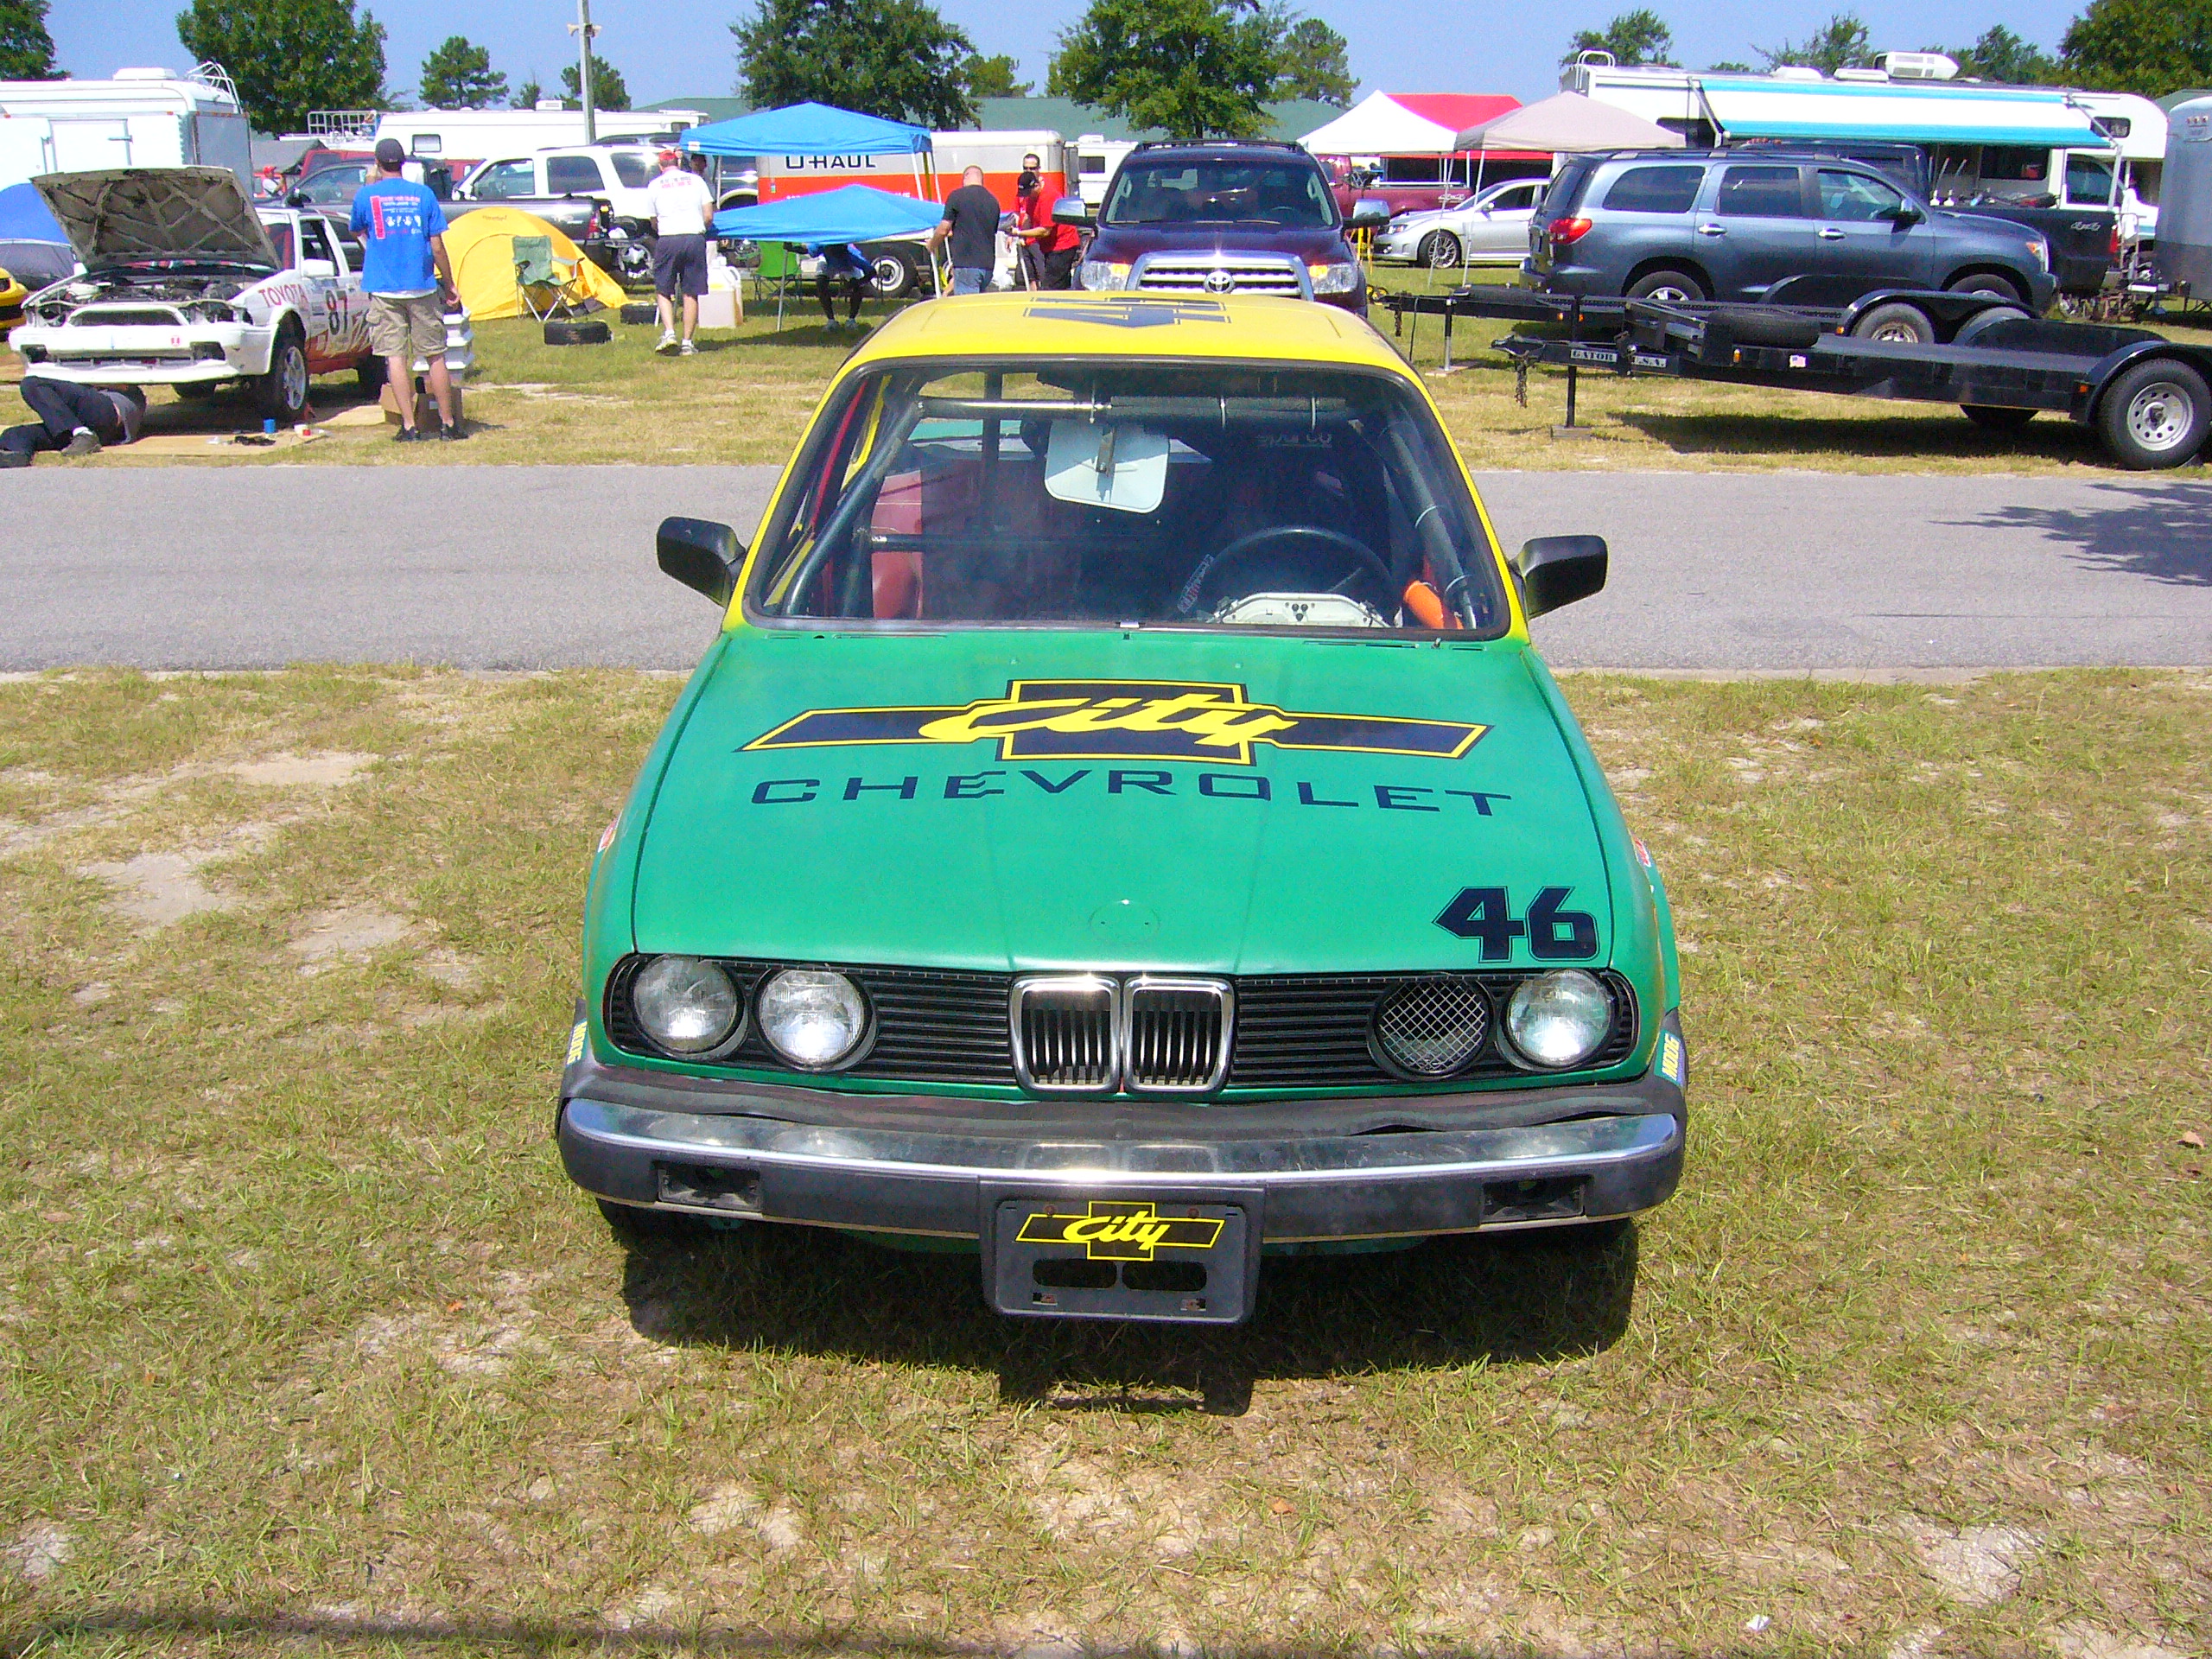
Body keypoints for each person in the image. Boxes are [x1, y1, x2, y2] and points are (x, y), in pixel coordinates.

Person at [350, 137, 462, 443]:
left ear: (377, 163)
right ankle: (448, 423)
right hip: (421, 284)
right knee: (435, 355)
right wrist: (449, 282)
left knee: (395, 357)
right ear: (403, 163)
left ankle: (410, 426)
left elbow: (358, 229)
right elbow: (437, 246)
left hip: (384, 287)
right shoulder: (423, 194)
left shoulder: (366, 195)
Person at [647, 146, 716, 355]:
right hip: (694, 236)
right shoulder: (697, 181)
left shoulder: (654, 185)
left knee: (663, 288)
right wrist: (701, 227)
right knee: (691, 291)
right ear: (678, 163)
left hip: (668, 238)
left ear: (661, 166)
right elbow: (709, 215)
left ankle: (669, 332)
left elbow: (653, 220)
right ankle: (687, 342)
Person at [0, 378, 144, 466]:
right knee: (13, 434)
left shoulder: (129, 389)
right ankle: (18, 456)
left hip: (108, 414)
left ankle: (83, 434)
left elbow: (121, 383)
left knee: (32, 384)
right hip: (86, 432)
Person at [927, 165, 1002, 295]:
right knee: (978, 303)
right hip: (987, 266)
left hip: (967, 263)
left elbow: (944, 229)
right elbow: (987, 230)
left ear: (966, 176)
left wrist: (932, 244)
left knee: (966, 305)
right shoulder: (993, 201)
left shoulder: (957, 196)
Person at [1015, 157, 1083, 290]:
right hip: (1048, 247)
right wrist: (1022, 234)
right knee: (1058, 285)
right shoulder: (1030, 197)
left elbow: (1045, 231)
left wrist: (1019, 233)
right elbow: (1028, 217)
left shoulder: (1048, 197)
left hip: (1063, 245)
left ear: (1036, 186)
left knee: (1051, 286)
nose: (1026, 196)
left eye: (1028, 192)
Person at [810, 241, 871, 328]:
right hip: (827, 260)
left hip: (847, 262)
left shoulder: (853, 255)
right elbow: (807, 250)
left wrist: (859, 282)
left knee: (857, 287)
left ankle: (851, 320)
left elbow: (871, 272)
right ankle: (831, 321)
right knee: (821, 283)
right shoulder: (821, 243)